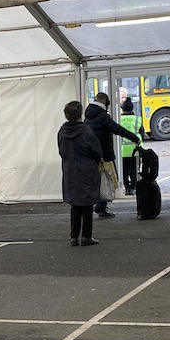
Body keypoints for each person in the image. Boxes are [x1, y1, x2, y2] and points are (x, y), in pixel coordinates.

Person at [84, 92, 140, 218]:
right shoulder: (103, 117)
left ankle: (95, 205)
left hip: (91, 155)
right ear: (106, 103)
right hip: (104, 155)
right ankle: (101, 207)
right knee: (107, 181)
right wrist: (134, 138)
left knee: (96, 181)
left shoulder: (88, 117)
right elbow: (118, 129)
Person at [57, 101, 103, 247]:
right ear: (80, 114)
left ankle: (74, 236)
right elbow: (96, 151)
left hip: (70, 170)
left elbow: (61, 151)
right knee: (87, 203)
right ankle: (86, 236)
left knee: (75, 204)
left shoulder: (62, 132)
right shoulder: (86, 131)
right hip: (86, 169)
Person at [119, 97, 144, 195]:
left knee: (124, 171)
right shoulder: (137, 119)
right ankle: (133, 187)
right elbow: (142, 134)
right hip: (135, 149)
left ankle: (126, 188)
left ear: (122, 109)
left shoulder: (118, 120)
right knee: (134, 169)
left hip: (122, 150)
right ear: (132, 108)